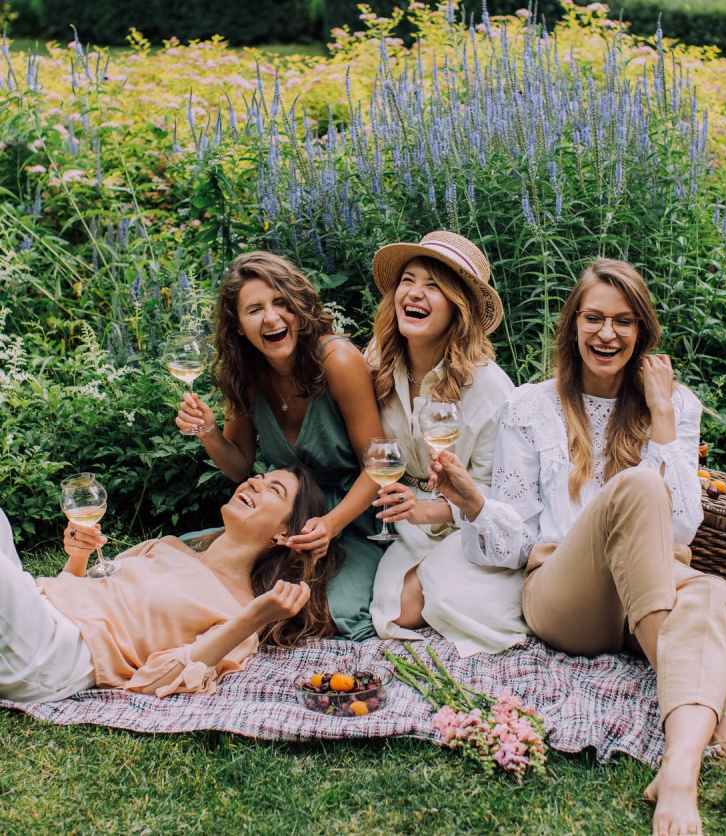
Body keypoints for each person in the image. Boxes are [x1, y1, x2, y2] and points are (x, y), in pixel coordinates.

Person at [432, 259, 726, 835]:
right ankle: (710, 701)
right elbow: (514, 543)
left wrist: (663, 414)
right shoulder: (530, 406)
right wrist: (473, 502)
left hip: (651, 589)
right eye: (593, 318)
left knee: (714, 589)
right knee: (640, 486)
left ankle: (680, 767)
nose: (607, 334)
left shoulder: (676, 406)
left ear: (642, 333)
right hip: (566, 598)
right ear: (572, 327)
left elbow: (684, 533)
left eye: (623, 321)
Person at [176, 251, 384, 641]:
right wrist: (207, 431)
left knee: (334, 612)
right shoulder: (243, 375)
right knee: (190, 561)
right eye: (254, 310)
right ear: (238, 326)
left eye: (281, 303)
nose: (272, 318)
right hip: (281, 522)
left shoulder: (338, 361)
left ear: (299, 309)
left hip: (351, 522)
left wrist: (331, 524)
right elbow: (240, 467)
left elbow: (379, 465)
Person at [0, 467, 338, 703]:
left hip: (56, 654)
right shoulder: (167, 546)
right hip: (35, 608)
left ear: (285, 533)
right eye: (258, 477)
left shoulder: (240, 613)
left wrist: (253, 619)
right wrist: (77, 558)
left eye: (273, 490)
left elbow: (155, 680)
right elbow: (81, 592)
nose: (254, 483)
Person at [366, 230, 527, 656]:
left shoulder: (490, 387)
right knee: (394, 612)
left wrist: (428, 509)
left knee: (448, 599)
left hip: (467, 526)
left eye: (434, 286)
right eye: (408, 280)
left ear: (459, 309)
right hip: (407, 525)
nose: (415, 294)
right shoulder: (380, 361)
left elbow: (501, 495)